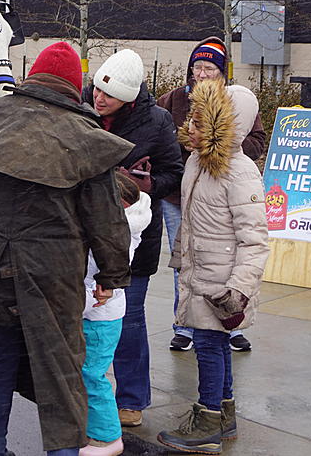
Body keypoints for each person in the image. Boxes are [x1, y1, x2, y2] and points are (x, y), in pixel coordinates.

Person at [0, 41, 134, 456]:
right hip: (51, 275)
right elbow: (106, 222)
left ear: (32, 76)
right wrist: (111, 276)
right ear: (76, 89)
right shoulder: (87, 139)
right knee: (60, 370)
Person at [157, 81, 269, 454]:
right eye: (192, 119)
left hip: (222, 283)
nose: (191, 127)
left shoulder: (240, 172)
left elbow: (254, 239)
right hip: (199, 274)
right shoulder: (197, 162)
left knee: (209, 345)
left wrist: (238, 288)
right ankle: (224, 414)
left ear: (228, 128)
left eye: (202, 123)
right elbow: (191, 221)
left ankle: (206, 421)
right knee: (215, 345)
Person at [82, 49, 183, 428]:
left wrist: (148, 185)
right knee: (83, 317)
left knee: (130, 319)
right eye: (96, 89)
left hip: (133, 238)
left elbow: (175, 172)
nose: (98, 97)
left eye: (108, 95)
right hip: (84, 235)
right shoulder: (83, 109)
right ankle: (85, 390)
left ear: (129, 96)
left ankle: (132, 398)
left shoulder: (157, 121)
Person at [157, 37, 265, 354]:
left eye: (209, 68)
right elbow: (160, 138)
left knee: (225, 260)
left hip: (223, 195)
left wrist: (220, 145)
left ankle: (231, 325)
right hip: (182, 196)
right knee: (188, 262)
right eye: (197, 67)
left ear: (221, 74)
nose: (202, 74)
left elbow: (256, 142)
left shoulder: (235, 104)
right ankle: (184, 324)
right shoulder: (173, 99)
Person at [80, 171, 149, 456]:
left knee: (92, 376)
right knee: (88, 375)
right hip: (100, 313)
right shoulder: (122, 226)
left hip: (98, 316)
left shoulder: (114, 234)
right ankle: (93, 430)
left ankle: (107, 438)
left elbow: (93, 278)